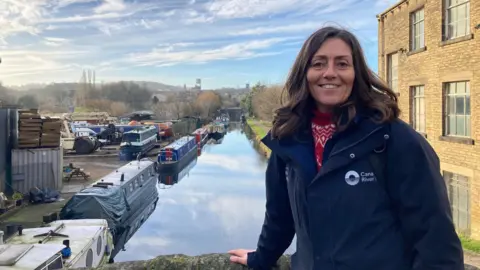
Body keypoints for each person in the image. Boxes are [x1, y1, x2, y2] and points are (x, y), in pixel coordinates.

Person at [228, 26, 464, 270]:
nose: (330, 73)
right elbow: (280, 217)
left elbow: (436, 240)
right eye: (318, 64)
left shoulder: (393, 138)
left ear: (356, 73)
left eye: (342, 64)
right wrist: (260, 258)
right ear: (304, 73)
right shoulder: (287, 138)